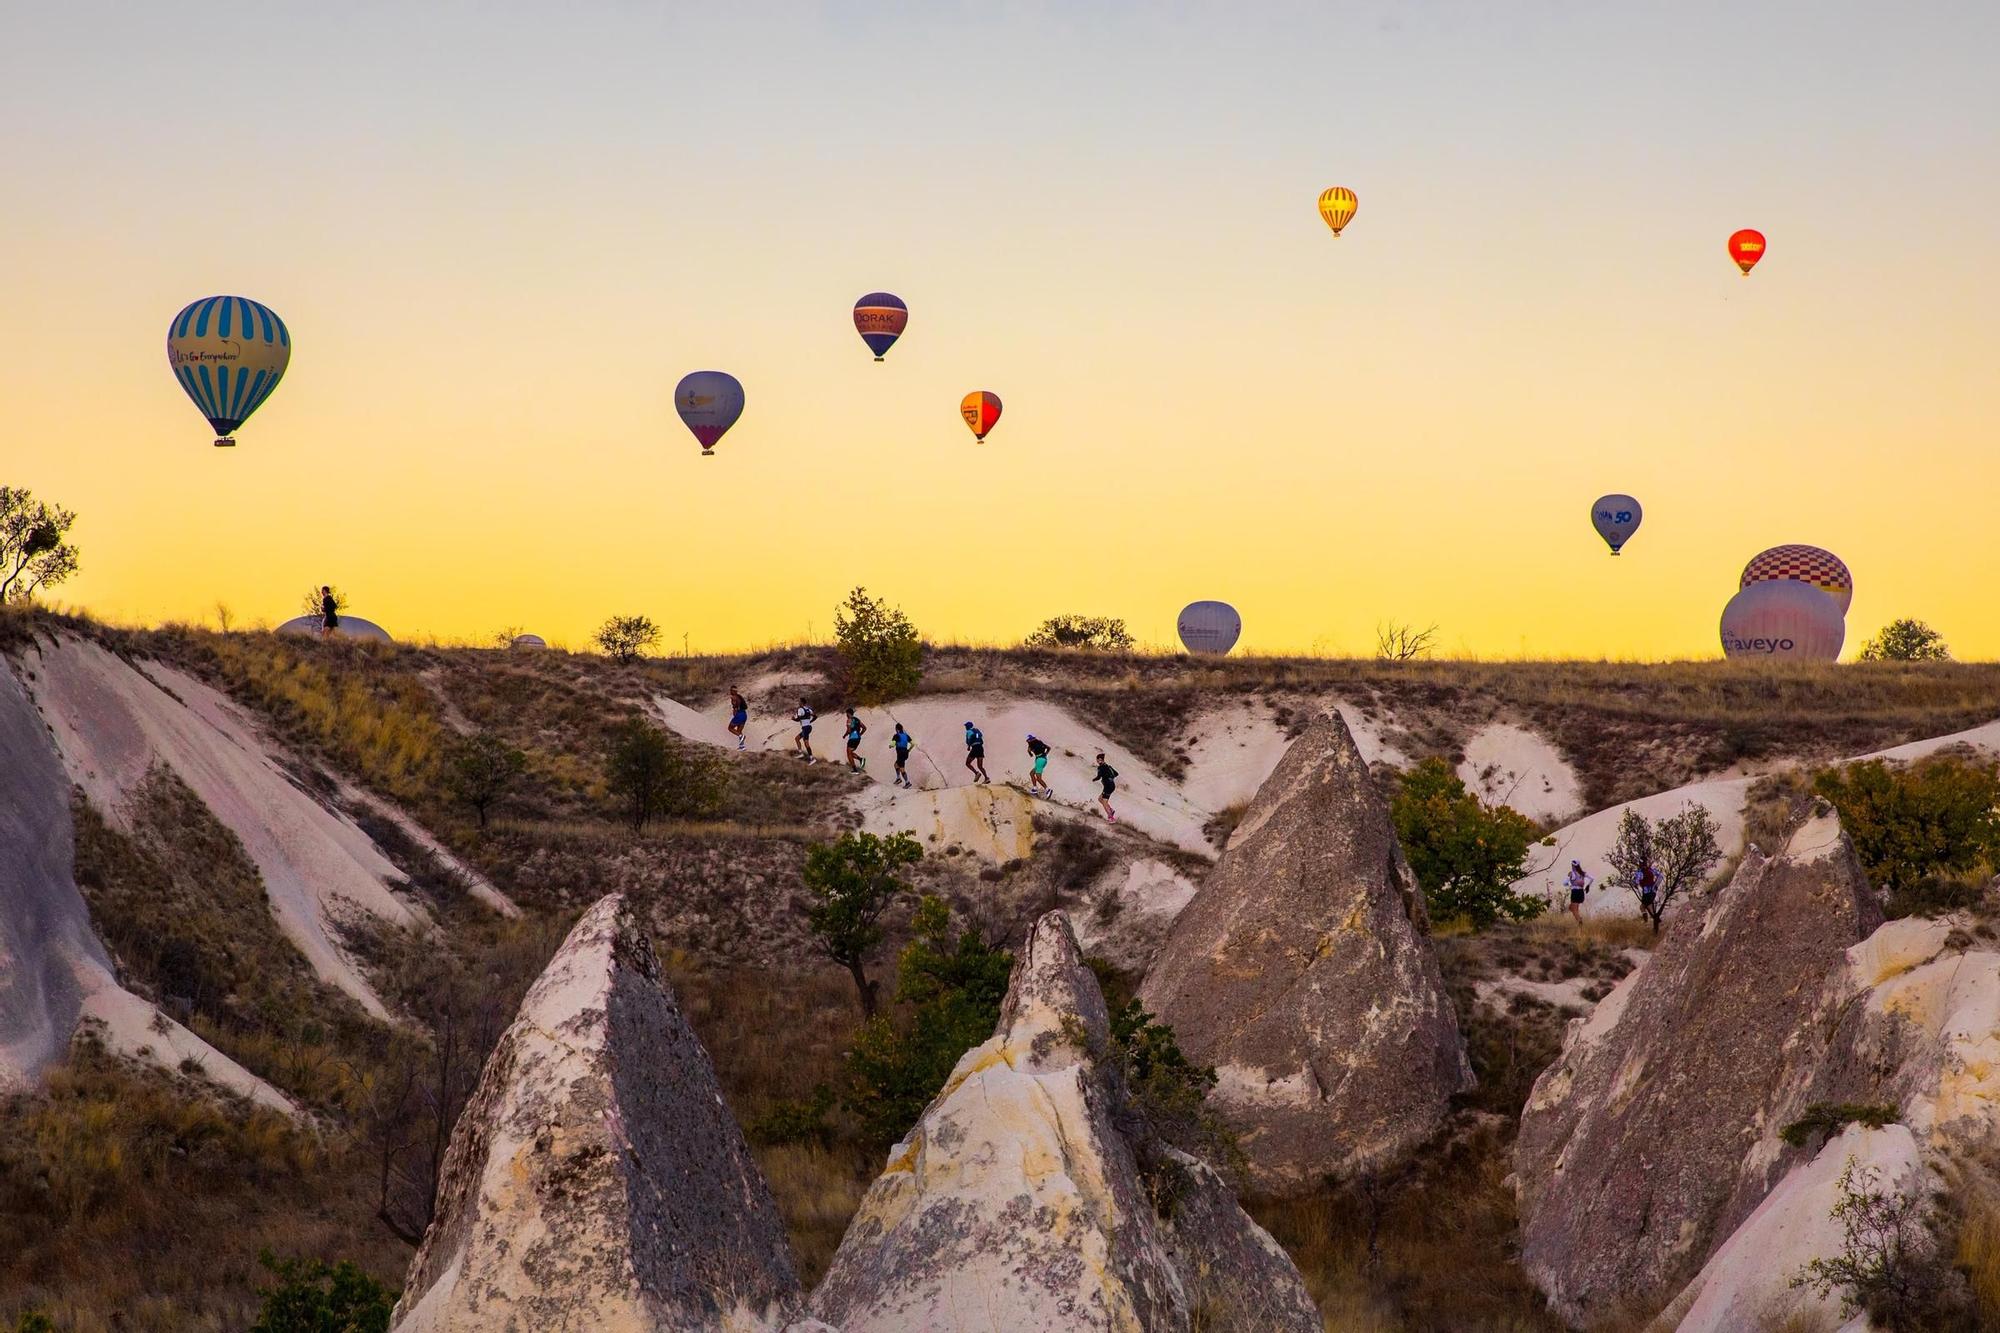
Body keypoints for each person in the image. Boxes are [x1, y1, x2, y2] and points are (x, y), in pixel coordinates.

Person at [1092, 752, 1118, 822]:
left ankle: (1111, 818)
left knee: (1104, 802)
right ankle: (1111, 810)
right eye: (1097, 760)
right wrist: (1109, 778)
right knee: (1100, 799)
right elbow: (1116, 774)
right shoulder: (1108, 766)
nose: (1097, 761)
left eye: (1098, 760)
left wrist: (1093, 780)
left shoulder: (1101, 767)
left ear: (1101, 759)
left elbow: (1098, 777)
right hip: (1111, 785)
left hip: (1108, 787)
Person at [844, 708, 868, 773]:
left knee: (848, 753)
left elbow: (849, 730)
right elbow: (864, 728)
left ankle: (855, 770)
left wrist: (845, 735)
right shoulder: (857, 720)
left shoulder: (849, 720)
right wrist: (860, 734)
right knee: (850, 752)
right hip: (858, 738)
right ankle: (861, 759)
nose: (846, 715)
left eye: (846, 713)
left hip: (852, 738)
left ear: (849, 713)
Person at [891, 723, 914, 788]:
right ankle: (898, 778)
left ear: (897, 729)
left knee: (901, 768)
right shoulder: (906, 735)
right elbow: (913, 744)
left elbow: (892, 744)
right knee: (896, 765)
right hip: (905, 753)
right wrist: (908, 750)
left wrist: (890, 746)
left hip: (900, 753)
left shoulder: (896, 735)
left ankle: (907, 782)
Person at [727, 686, 749, 751]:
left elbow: (735, 707)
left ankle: (742, 737)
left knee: (730, 728)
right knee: (739, 731)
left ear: (733, 691)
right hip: (744, 714)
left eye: (731, 690)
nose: (730, 691)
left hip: (739, 715)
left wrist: (735, 713)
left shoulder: (734, 698)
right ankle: (742, 747)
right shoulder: (739, 696)